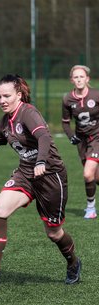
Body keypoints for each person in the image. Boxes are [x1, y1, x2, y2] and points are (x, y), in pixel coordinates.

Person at [0, 74, 81, 286]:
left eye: (6, 96)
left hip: (50, 176)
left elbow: (44, 138)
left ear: (19, 95)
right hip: (25, 174)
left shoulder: (28, 113)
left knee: (54, 232)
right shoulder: (5, 122)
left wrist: (41, 162)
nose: (2, 100)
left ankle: (73, 262)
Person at [62, 65, 99, 219]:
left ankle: (90, 208)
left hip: (97, 138)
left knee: (87, 174)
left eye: (81, 77)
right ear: (72, 80)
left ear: (87, 79)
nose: (79, 79)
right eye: (76, 77)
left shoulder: (96, 95)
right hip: (81, 142)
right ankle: (91, 206)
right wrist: (71, 136)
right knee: (95, 178)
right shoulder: (67, 99)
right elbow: (65, 122)